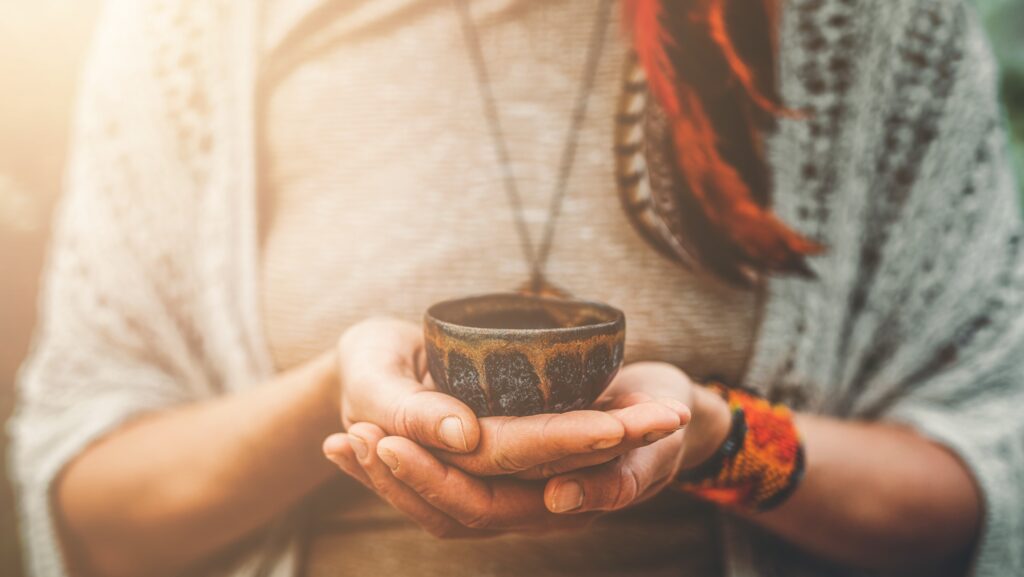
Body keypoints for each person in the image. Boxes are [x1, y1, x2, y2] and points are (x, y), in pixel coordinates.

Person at [10, 1, 1023, 577]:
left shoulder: (873, 32)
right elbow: (94, 503)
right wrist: (333, 401)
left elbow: (980, 484)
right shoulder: (187, 37)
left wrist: (715, 438)